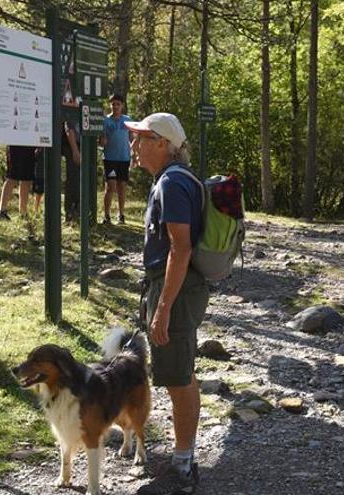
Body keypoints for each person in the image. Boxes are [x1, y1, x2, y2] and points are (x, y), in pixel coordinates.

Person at [127, 113, 207, 495]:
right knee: (182, 371)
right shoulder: (173, 179)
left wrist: (163, 308)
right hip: (176, 287)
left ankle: (182, 467)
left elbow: (181, 247)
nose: (134, 146)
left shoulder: (173, 183)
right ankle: (184, 456)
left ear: (163, 144)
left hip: (175, 289)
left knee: (176, 376)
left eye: (142, 138)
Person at [99, 94, 132, 224]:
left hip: (124, 158)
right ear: (110, 105)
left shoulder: (127, 120)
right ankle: (106, 216)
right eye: (113, 104)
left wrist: (134, 152)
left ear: (122, 105)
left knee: (122, 187)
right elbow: (101, 142)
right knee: (110, 187)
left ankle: (121, 215)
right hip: (110, 159)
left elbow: (132, 137)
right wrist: (102, 140)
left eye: (118, 104)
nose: (115, 106)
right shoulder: (105, 121)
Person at [0, 146, 37, 220]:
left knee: (27, 180)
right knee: (12, 177)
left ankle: (23, 213)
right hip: (15, 145)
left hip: (30, 147)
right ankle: (1, 211)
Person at [62, 119, 81, 223]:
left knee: (80, 180)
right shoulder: (70, 108)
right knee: (73, 179)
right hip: (72, 147)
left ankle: (79, 210)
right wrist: (75, 151)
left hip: (83, 145)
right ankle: (70, 212)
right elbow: (68, 129)